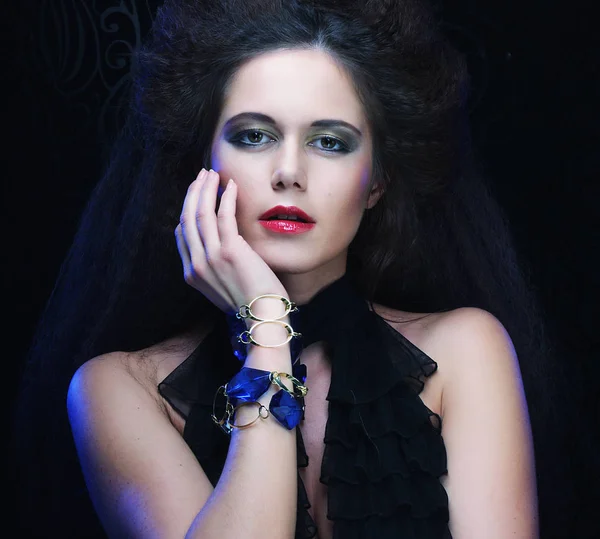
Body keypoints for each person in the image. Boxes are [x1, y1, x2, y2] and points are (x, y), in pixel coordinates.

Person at [12, 0, 558, 537]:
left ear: (376, 183)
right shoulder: (120, 388)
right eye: (254, 135)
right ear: (203, 164)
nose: (289, 172)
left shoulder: (464, 351)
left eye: (330, 142)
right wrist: (267, 330)